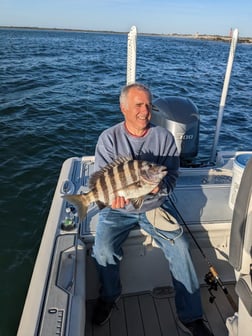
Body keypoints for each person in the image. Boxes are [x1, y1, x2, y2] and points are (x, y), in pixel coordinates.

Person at [91, 83, 213, 336]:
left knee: (180, 248)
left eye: (148, 105)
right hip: (118, 209)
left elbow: (171, 176)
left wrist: (158, 189)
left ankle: (191, 317)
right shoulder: (108, 138)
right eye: (138, 105)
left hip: (154, 206)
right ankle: (109, 297)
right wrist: (112, 198)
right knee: (102, 250)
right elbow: (102, 179)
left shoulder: (164, 137)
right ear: (123, 108)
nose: (145, 111)